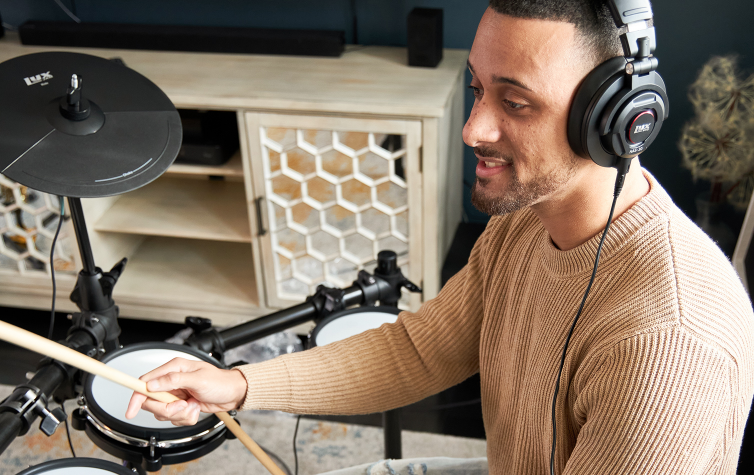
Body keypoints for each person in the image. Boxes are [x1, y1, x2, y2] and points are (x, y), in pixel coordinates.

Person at [127, 1, 754, 473]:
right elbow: (420, 352)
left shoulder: (668, 346)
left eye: (517, 103)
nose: (474, 128)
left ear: (615, 121)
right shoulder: (524, 222)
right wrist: (239, 386)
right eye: (480, 89)